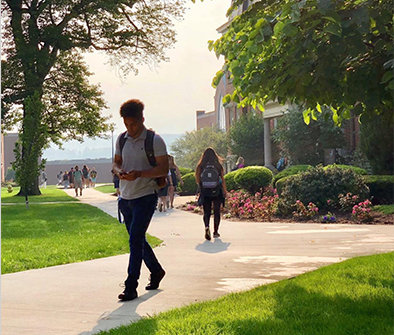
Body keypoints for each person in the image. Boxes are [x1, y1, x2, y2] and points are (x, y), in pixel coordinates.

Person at [112, 98, 168, 301]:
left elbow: (163, 168)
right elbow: (116, 163)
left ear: (142, 119)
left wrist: (140, 174)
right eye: (126, 124)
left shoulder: (155, 140)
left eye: (133, 124)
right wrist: (119, 172)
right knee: (139, 240)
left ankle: (130, 286)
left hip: (145, 196)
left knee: (135, 239)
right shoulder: (122, 139)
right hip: (125, 197)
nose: (130, 128)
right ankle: (156, 270)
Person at [195, 148, 227, 240]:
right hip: (217, 190)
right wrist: (225, 191)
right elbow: (222, 180)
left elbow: (198, 179)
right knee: (217, 211)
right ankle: (216, 232)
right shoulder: (218, 166)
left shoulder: (201, 166)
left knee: (206, 211)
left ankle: (207, 226)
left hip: (205, 191)